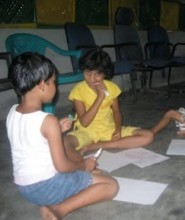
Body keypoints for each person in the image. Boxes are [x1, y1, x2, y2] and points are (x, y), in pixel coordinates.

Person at [6, 52, 119, 220]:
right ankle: (59, 210)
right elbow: (62, 166)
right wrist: (84, 164)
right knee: (110, 185)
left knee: (94, 173)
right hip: (47, 186)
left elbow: (31, 139)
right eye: (53, 82)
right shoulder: (48, 120)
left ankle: (50, 201)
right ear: (42, 85)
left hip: (25, 188)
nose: (55, 87)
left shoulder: (12, 112)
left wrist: (56, 130)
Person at [63, 47, 153, 155]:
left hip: (108, 129)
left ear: (104, 73)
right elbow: (84, 122)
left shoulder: (112, 87)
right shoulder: (78, 90)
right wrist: (100, 97)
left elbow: (116, 111)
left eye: (97, 74)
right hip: (86, 132)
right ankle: (94, 146)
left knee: (148, 136)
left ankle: (97, 146)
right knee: (65, 142)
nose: (91, 78)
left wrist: (118, 129)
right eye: (88, 73)